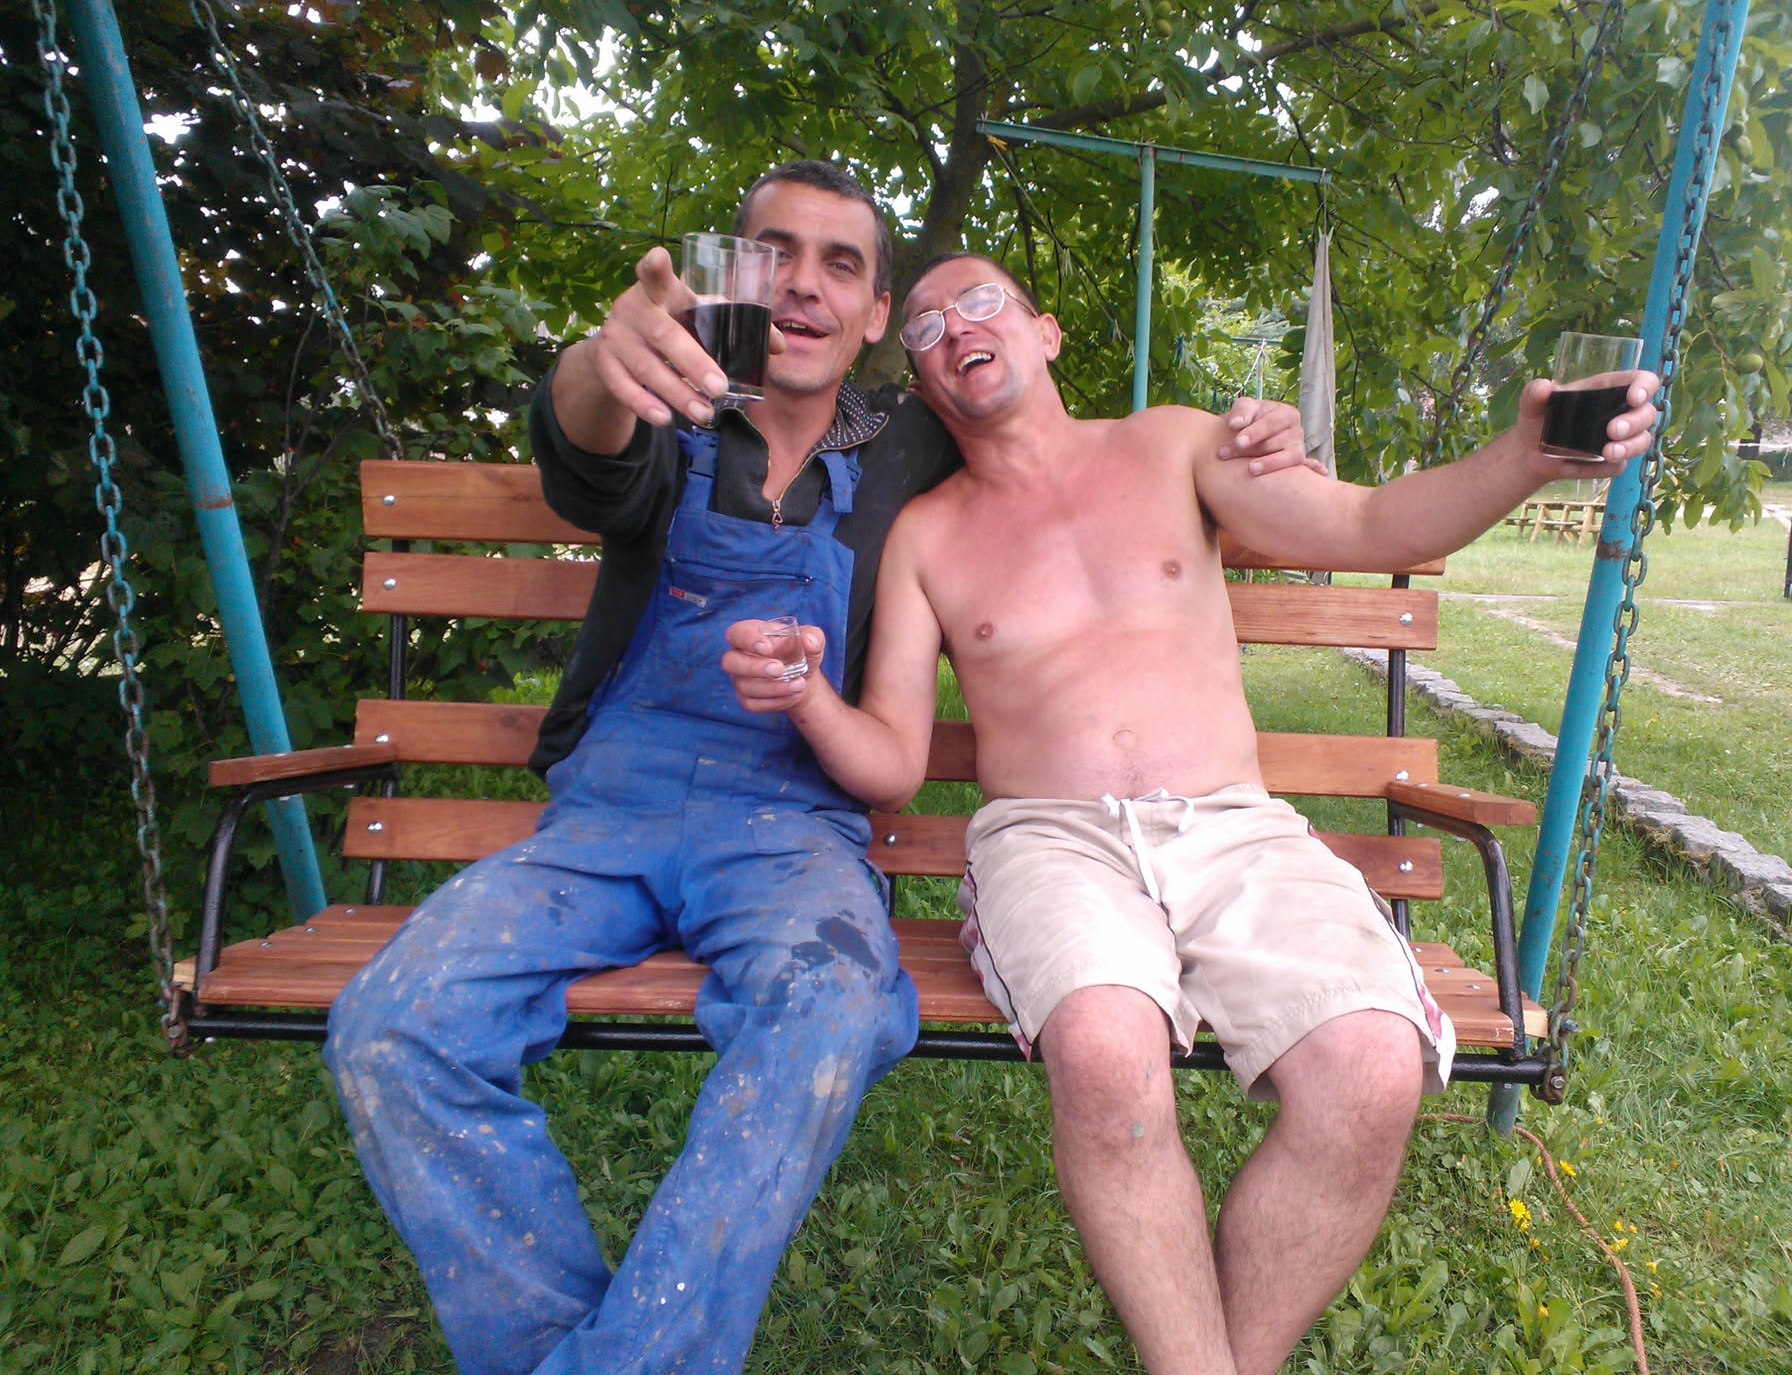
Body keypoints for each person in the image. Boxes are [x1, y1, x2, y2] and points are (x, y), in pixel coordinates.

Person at [321, 165, 1314, 1375]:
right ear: (732, 279)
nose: (802, 285)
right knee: (390, 1025)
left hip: (793, 826)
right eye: (773, 254)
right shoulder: (670, 402)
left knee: (833, 1005)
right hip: (606, 817)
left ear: (878, 314)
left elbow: (1059, 452)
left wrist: (1258, 436)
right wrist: (598, 362)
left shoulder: (916, 446)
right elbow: (584, 451)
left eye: (840, 265)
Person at [721, 252, 1660, 1375]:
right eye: (923, 325)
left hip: (1234, 829)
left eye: (980, 301)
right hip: (1050, 841)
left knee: (1371, 1068)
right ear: (921, 379)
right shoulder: (926, 535)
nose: (954, 326)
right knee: (1104, 1050)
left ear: (1045, 331)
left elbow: (1372, 526)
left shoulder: (1175, 446)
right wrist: (807, 698)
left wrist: (1526, 452)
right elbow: (892, 765)